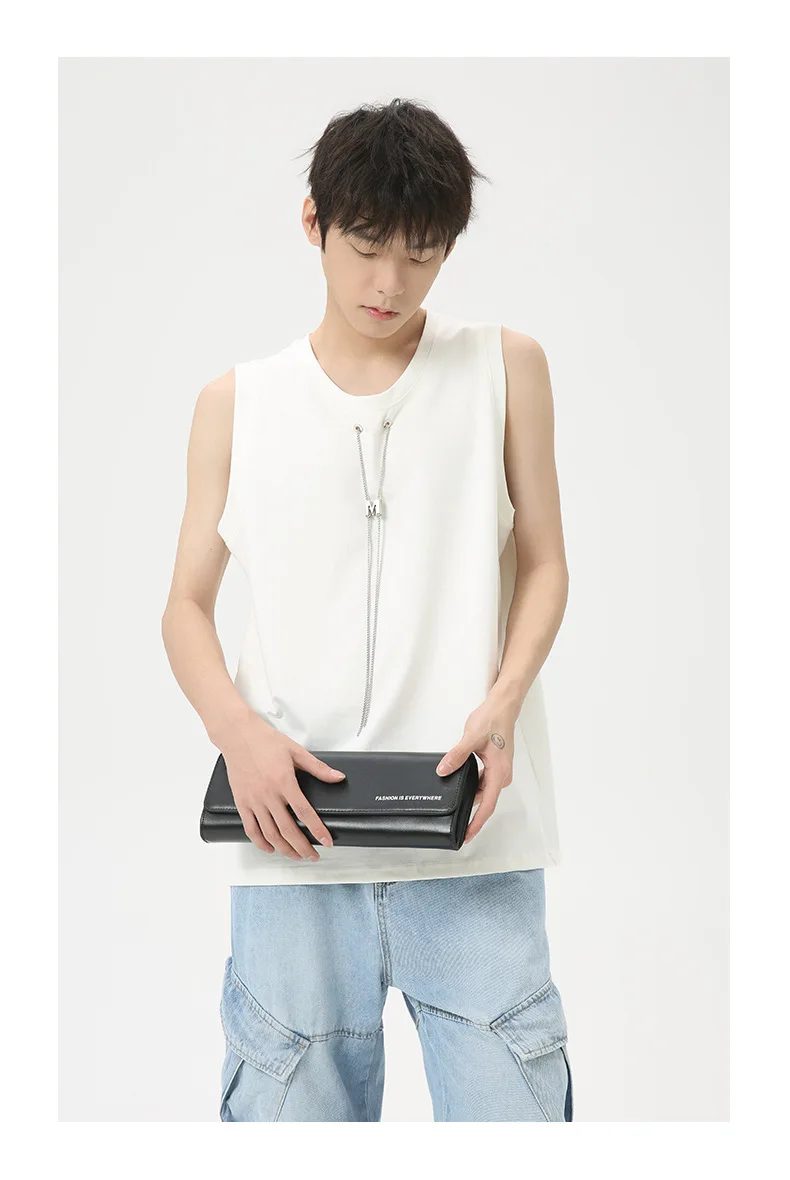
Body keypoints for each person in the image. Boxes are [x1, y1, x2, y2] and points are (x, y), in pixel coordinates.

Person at [161, 97, 573, 1122]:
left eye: (420, 254)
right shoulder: (235, 403)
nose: (389, 284)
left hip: (472, 831)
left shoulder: (506, 367)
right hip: (290, 839)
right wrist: (238, 735)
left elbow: (545, 562)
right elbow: (184, 605)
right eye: (366, 246)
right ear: (314, 223)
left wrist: (503, 703)